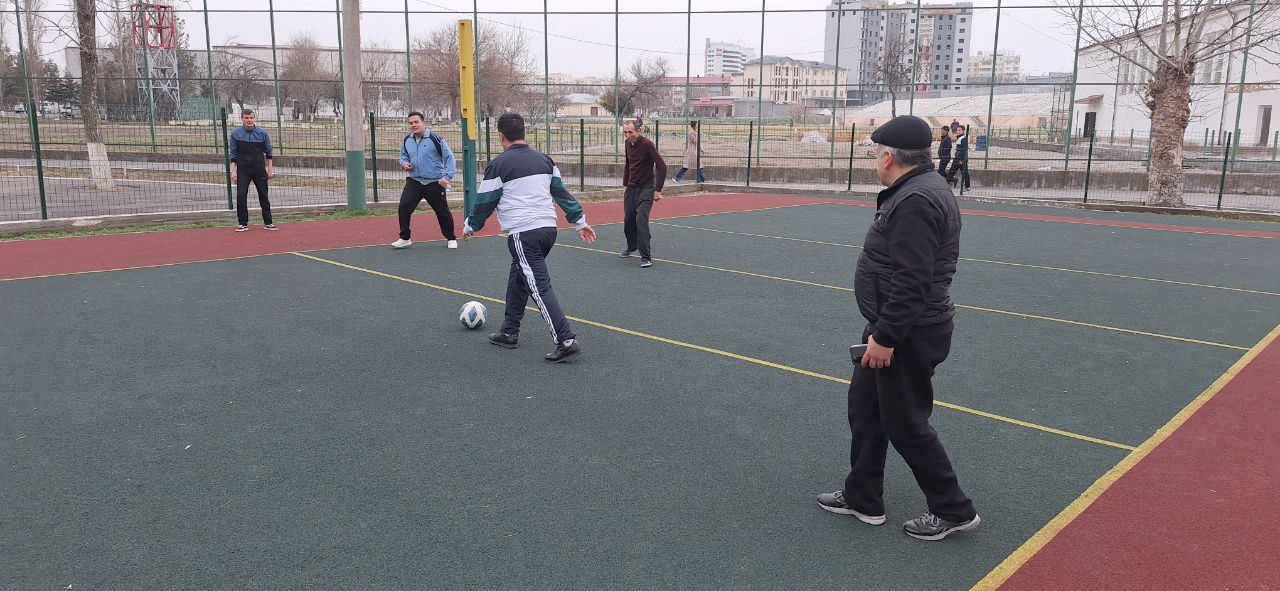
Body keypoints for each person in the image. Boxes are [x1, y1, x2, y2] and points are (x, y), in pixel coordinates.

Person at [817, 115, 979, 542]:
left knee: (906, 422)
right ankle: (863, 496)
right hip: (893, 326)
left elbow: (913, 279)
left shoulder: (915, 200)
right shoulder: (922, 188)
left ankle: (953, 508)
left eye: (876, 153)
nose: (875, 159)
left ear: (888, 157)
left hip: (906, 333)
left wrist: (886, 337)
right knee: (866, 410)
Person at [462, 113, 597, 363]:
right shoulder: (544, 160)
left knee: (538, 286)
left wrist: (471, 224)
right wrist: (579, 221)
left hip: (524, 234)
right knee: (519, 278)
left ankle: (565, 340)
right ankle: (509, 332)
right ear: (524, 132)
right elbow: (561, 192)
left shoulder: (499, 164)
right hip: (548, 231)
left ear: (500, 135)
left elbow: (485, 201)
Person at [391, 111, 458, 250]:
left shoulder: (435, 139)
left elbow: (450, 157)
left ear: (423, 122)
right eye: (410, 123)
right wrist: (404, 163)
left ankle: (451, 238)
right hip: (414, 181)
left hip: (434, 182)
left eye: (416, 122)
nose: (413, 125)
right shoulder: (407, 140)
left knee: (442, 211)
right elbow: (403, 156)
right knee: (404, 207)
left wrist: (447, 177)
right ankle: (405, 238)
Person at [620, 119, 666, 269]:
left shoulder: (647, 144)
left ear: (638, 131)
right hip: (632, 187)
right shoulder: (627, 144)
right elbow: (628, 163)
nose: (628, 135)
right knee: (628, 220)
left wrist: (657, 190)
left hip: (647, 187)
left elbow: (662, 166)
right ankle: (631, 246)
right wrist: (626, 184)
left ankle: (646, 256)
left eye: (630, 132)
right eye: (625, 132)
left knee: (641, 219)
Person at [229, 110, 276, 232]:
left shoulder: (262, 133)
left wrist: (270, 169)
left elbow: (269, 153)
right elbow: (233, 154)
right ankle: (242, 223)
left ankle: (268, 222)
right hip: (243, 170)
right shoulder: (235, 134)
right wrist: (233, 172)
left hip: (259, 169)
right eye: (246, 118)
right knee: (241, 195)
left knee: (263, 195)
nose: (249, 120)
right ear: (242, 119)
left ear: (254, 118)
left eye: (251, 117)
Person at [946, 126, 971, 191]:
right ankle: (946, 185)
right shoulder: (959, 138)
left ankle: (967, 186)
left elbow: (964, 150)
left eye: (959, 130)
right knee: (951, 172)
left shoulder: (963, 139)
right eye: (957, 130)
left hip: (961, 159)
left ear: (963, 131)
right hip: (957, 158)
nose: (958, 131)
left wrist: (961, 160)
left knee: (964, 173)